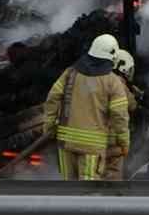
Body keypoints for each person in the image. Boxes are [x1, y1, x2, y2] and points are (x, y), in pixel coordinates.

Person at [42, 34, 129, 180]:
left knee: (69, 187)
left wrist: (49, 127)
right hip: (91, 147)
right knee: (88, 189)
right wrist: (124, 142)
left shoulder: (70, 73)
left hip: (66, 142)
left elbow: (52, 99)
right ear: (112, 55)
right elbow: (119, 115)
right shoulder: (113, 81)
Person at [103, 49, 140, 180]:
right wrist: (138, 96)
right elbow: (133, 106)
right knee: (113, 176)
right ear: (124, 68)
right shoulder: (118, 83)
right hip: (110, 140)